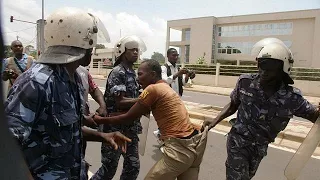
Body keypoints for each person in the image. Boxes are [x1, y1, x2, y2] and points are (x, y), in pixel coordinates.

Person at [4, 7, 131, 179]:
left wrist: (103, 136)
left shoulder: (74, 78)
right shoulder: (36, 82)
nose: (92, 49)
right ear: (84, 44)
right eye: (91, 43)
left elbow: (70, 130)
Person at [202, 38, 320, 180]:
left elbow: (315, 116)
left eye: (269, 67)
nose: (263, 71)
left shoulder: (292, 98)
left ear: (282, 70)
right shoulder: (245, 82)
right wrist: (214, 121)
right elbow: (233, 104)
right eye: (261, 65)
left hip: (259, 148)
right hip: (238, 141)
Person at [93, 59, 209, 180]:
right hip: (194, 145)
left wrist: (99, 120)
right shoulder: (164, 85)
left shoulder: (152, 90)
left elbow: (127, 118)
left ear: (153, 74)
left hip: (179, 150)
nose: (137, 79)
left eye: (140, 74)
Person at [91, 35, 147, 180]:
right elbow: (120, 102)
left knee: (132, 167)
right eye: (132, 50)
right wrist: (143, 100)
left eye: (137, 50)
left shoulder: (132, 73)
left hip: (130, 128)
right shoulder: (118, 72)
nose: (136, 52)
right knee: (108, 169)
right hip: (114, 127)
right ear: (122, 51)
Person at [154, 48, 196, 144]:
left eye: (177, 55)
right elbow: (165, 81)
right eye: (173, 55)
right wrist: (178, 73)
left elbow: (184, 84)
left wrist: (187, 76)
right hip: (166, 99)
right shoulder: (163, 68)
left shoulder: (178, 68)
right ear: (168, 56)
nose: (176, 57)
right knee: (168, 119)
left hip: (177, 98)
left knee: (174, 119)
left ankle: (163, 135)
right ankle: (162, 135)